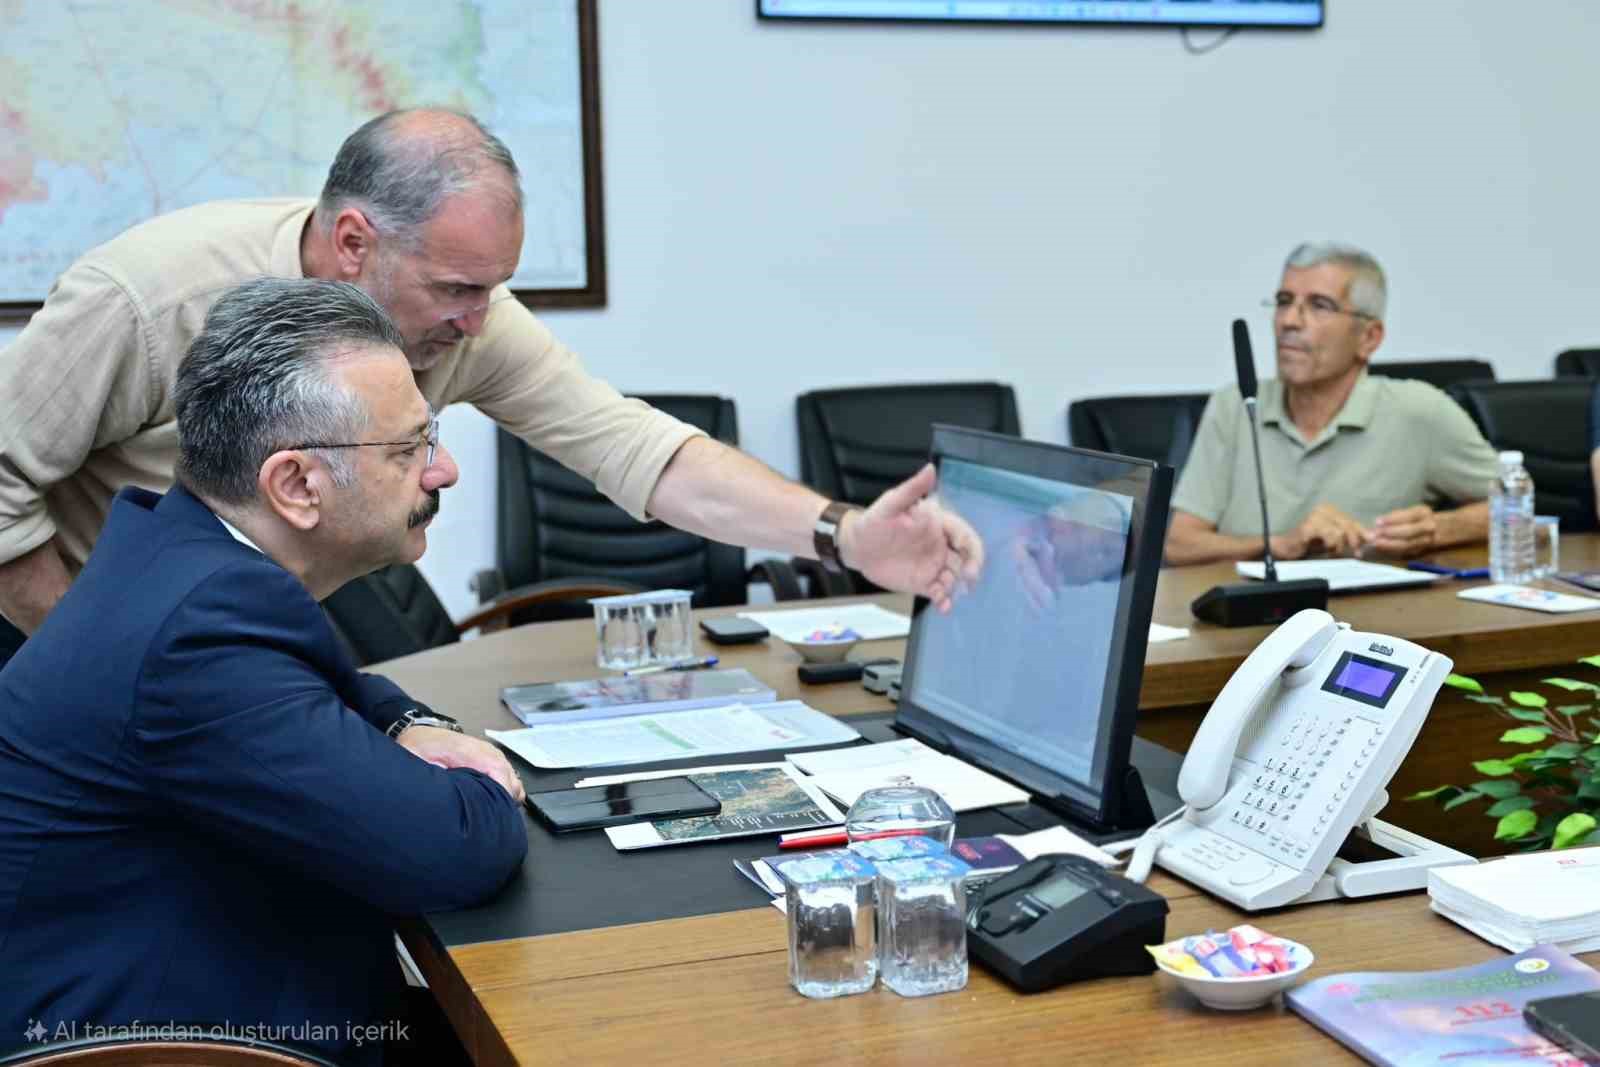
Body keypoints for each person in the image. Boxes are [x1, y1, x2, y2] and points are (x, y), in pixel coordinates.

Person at [0, 108, 982, 665]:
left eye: (494, 288)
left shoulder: (458, 320)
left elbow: (629, 444)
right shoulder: (149, 298)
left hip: (268, 595)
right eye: (457, 287)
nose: (477, 320)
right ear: (354, 243)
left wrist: (843, 532)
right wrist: (95, 652)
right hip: (82, 621)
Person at [0, 279, 528, 1066]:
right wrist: (491, 781)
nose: (442, 470)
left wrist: (407, 723)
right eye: (411, 446)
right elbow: (451, 851)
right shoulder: (200, 637)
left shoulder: (181, 556)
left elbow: (323, 685)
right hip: (180, 1041)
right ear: (295, 485)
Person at [1164, 242, 1500, 567]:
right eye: (1284, 301)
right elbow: (1179, 544)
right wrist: (1279, 545)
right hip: (1246, 617)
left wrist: (1437, 530)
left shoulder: (1420, 412)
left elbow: (1520, 510)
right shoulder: (1236, 405)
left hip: (1375, 618)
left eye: (1319, 306)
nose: (1289, 321)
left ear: (1369, 338)